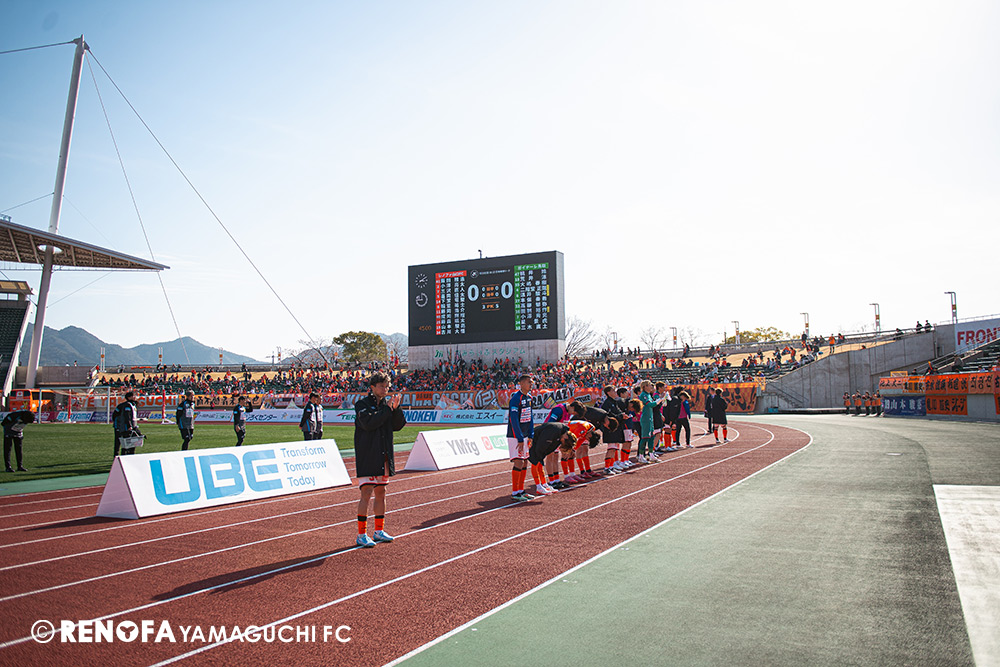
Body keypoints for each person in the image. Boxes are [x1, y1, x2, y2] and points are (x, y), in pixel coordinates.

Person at [354, 371, 406, 548]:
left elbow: (398, 426)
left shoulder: (387, 405)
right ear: (372, 387)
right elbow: (369, 424)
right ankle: (361, 534)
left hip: (384, 454)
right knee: (366, 492)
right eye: (381, 386)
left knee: (381, 492)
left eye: (387, 386)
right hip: (368, 454)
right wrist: (387, 409)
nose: (385, 389)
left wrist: (396, 409)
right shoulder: (362, 405)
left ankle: (378, 530)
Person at [507, 374, 536, 501]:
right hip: (515, 436)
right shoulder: (515, 399)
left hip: (525, 436)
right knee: (518, 461)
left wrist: (531, 435)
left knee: (524, 462)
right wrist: (519, 438)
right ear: (522, 383)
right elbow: (513, 420)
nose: (531, 384)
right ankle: (515, 492)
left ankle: (521, 490)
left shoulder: (529, 398)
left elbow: (530, 417)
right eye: (529, 382)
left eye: (532, 382)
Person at [112, 391, 142, 456]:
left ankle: (128, 455)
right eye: (133, 396)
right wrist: (128, 425)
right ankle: (118, 456)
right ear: (129, 397)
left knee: (129, 441)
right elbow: (126, 416)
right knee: (121, 442)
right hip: (123, 426)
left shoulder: (133, 405)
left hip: (130, 426)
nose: (135, 397)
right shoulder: (126, 405)